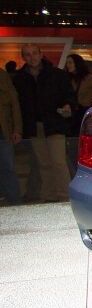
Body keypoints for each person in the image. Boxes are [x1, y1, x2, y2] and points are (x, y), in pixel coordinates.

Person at [13, 44, 75, 202]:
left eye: (34, 53)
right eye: (27, 54)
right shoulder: (19, 78)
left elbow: (69, 95)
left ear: (41, 54)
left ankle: (65, 196)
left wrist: (67, 105)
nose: (31, 57)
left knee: (59, 162)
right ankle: (49, 195)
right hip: (34, 126)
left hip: (54, 123)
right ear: (23, 57)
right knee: (44, 164)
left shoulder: (56, 74)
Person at [65, 54, 92, 176]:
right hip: (70, 113)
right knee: (71, 144)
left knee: (82, 143)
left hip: (83, 112)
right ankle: (74, 170)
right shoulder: (66, 78)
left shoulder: (88, 78)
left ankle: (83, 170)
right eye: (67, 63)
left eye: (71, 62)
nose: (68, 65)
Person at [0, 67, 22, 205]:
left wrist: (17, 129)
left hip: (3, 130)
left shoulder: (2, 76)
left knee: (8, 166)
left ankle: (15, 201)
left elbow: (14, 104)